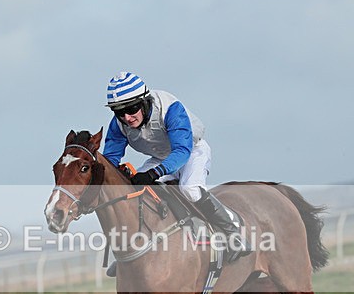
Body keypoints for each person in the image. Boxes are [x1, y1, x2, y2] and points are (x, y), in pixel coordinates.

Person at [102, 71, 251, 263]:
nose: (127, 118)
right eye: (119, 112)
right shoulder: (119, 124)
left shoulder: (170, 108)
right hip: (160, 158)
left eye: (132, 109)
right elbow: (111, 158)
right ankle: (130, 255)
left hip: (192, 152)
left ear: (144, 101)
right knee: (131, 192)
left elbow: (182, 151)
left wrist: (154, 173)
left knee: (190, 190)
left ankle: (233, 234)